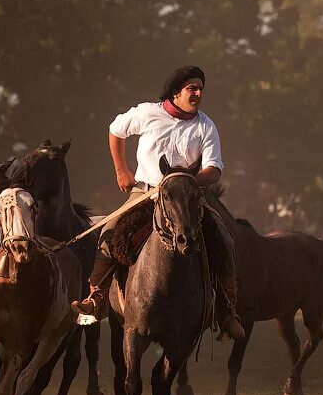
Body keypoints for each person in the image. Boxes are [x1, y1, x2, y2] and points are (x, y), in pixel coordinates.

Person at [71, 65, 245, 340]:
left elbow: (214, 170)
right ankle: (97, 297)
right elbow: (116, 130)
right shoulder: (147, 112)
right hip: (146, 193)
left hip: (187, 199)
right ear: (176, 92)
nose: (198, 93)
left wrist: (185, 183)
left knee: (224, 238)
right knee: (109, 231)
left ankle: (226, 310)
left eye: (200, 89)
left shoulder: (205, 125)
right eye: (192, 88)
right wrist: (121, 170)